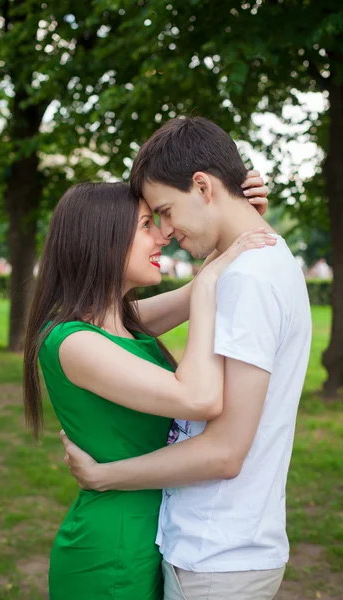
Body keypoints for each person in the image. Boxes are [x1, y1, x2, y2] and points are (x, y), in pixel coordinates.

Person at [61, 117, 312, 600]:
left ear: (202, 185)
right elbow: (118, 324)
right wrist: (218, 258)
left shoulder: (246, 280)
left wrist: (103, 476)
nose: (166, 231)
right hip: (223, 546)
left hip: (217, 556)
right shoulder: (260, 262)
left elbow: (225, 452)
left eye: (166, 211)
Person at [23, 171, 271, 600]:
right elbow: (201, 397)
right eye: (145, 226)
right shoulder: (74, 341)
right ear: (102, 239)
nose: (162, 237)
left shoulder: (122, 323)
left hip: (152, 536)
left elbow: (200, 286)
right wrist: (209, 284)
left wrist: (236, 216)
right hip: (113, 550)